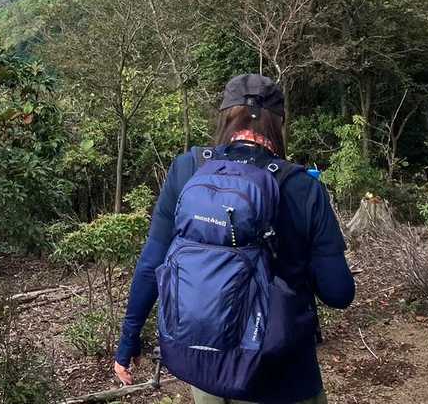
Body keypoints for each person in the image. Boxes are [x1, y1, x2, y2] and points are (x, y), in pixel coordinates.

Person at [112, 74, 354, 404]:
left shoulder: (187, 169)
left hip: (208, 368)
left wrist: (129, 338)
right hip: (283, 373)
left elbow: (151, 263)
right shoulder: (303, 186)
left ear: (224, 116)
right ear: (279, 123)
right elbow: (338, 293)